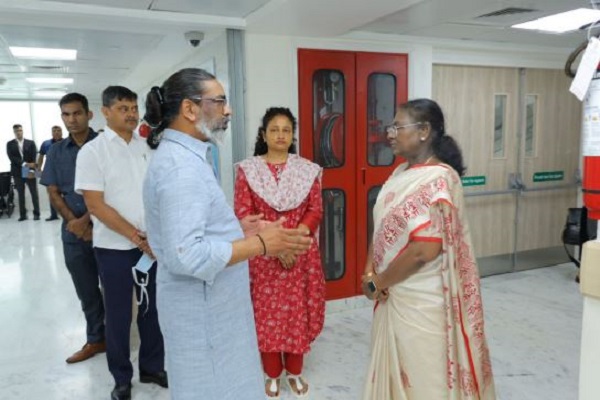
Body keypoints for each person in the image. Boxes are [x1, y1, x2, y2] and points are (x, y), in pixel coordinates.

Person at [142, 68, 312, 400]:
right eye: (219, 101)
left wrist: (237, 229)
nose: (228, 110)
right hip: (203, 314)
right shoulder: (181, 168)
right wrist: (260, 244)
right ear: (190, 109)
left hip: (208, 307)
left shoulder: (187, 157)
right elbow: (186, 255)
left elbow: (191, 232)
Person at [361, 99, 496, 400]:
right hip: (391, 292)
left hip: (422, 302)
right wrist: (369, 271)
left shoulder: (440, 179)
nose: (390, 134)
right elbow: (381, 226)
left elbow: (424, 250)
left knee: (423, 380)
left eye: (398, 127)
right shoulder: (400, 174)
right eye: (391, 127)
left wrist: (379, 281)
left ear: (423, 131)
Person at [75, 86, 166, 400]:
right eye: (123, 108)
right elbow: (96, 205)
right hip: (114, 249)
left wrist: (155, 236)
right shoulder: (93, 152)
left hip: (150, 246)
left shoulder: (146, 147)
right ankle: (122, 378)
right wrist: (138, 238)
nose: (131, 114)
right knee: (118, 316)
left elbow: (157, 193)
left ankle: (152, 367)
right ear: (106, 112)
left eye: (133, 108)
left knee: (152, 309)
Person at [234, 107, 325, 399]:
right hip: (263, 256)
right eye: (274, 129)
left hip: (300, 254)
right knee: (266, 317)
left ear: (293, 135)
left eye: (286, 130)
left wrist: (292, 242)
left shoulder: (307, 170)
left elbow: (315, 210)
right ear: (264, 135)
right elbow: (243, 213)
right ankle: (272, 374)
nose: (281, 135)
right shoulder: (248, 171)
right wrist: (275, 245)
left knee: (297, 315)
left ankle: (295, 373)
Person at [40, 93, 106, 364]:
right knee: (86, 290)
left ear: (89, 114)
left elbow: (114, 188)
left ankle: (117, 339)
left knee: (115, 288)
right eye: (66, 114)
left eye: (77, 113)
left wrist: (87, 220)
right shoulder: (56, 151)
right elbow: (53, 192)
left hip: (108, 228)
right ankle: (96, 339)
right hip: (73, 235)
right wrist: (74, 223)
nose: (72, 119)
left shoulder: (105, 145)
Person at [6, 124, 40, 221]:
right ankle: (23, 215)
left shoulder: (31, 142)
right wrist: (25, 164)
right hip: (17, 171)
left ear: (22, 131)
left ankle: (36, 214)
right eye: (16, 131)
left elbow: (34, 157)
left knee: (34, 193)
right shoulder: (10, 144)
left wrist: (32, 169)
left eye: (20, 130)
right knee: (20, 194)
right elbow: (12, 157)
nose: (18, 132)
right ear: (14, 132)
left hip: (29, 170)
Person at [38, 125, 63, 221]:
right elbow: (41, 156)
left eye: (58, 130)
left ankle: (67, 213)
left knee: (67, 193)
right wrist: (39, 169)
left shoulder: (67, 142)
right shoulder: (46, 144)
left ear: (61, 132)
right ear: (52, 133)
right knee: (52, 194)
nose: (56, 132)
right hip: (51, 172)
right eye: (54, 131)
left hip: (64, 172)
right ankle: (53, 215)